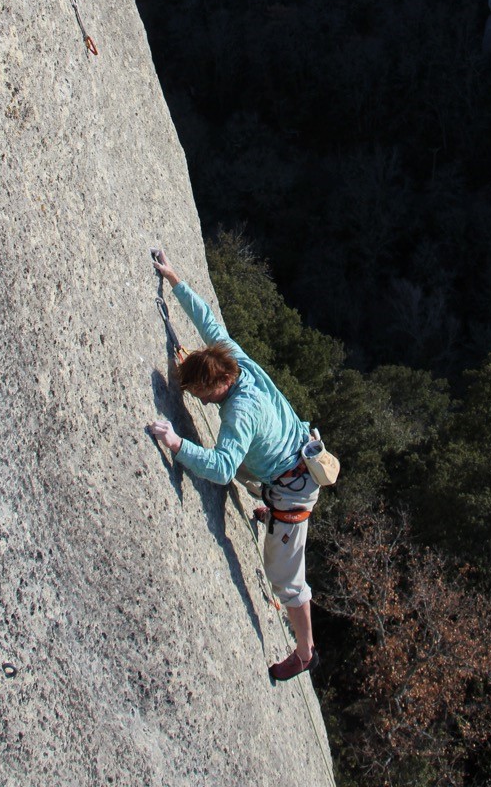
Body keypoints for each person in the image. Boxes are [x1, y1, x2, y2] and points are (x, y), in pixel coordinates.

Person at [147, 249, 320, 682]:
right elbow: (209, 322)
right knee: (246, 466)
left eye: (204, 395)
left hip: (293, 489)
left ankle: (305, 650)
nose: (202, 401)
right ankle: (267, 508)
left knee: (285, 579)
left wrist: (176, 443)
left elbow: (223, 468)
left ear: (220, 384)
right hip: (294, 456)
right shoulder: (233, 359)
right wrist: (175, 281)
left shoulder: (240, 413)